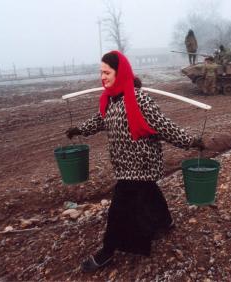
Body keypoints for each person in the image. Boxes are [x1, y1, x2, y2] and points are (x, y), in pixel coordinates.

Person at [65, 50, 205, 273]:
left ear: (119, 73)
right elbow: (101, 120)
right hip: (123, 164)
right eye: (101, 73)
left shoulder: (139, 99)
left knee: (119, 208)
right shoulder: (110, 99)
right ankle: (166, 222)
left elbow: (163, 126)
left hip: (141, 165)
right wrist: (80, 129)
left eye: (107, 72)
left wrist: (190, 141)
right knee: (150, 192)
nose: (102, 77)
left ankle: (107, 251)